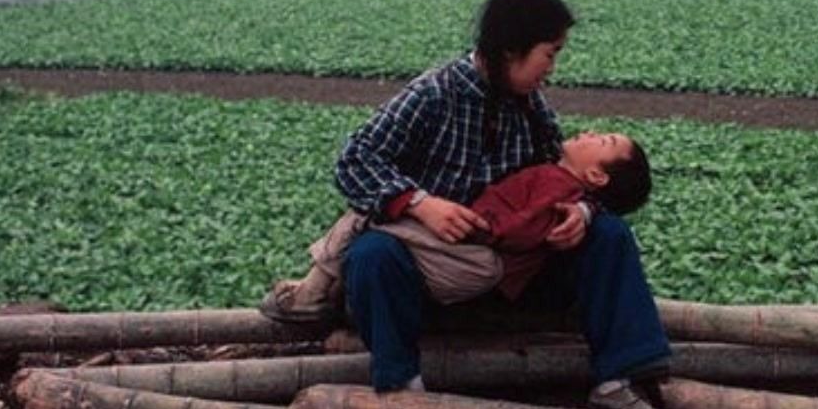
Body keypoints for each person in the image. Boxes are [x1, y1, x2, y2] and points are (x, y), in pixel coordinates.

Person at [318, 0, 673, 409]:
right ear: (512, 50)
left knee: (608, 234)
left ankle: (619, 378)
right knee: (372, 255)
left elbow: (571, 176)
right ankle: (402, 392)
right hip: (437, 273)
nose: (552, 68)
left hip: (513, 272)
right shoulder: (433, 94)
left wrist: (582, 210)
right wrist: (420, 204)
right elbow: (353, 162)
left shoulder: (531, 106)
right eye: (550, 53)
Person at [260, 129, 653, 319]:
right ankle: (323, 287)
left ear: (598, 177)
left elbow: (523, 227)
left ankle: (313, 291)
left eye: (602, 141)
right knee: (378, 221)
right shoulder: (556, 169)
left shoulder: (560, 187)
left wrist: (480, 225)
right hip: (476, 252)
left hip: (480, 256)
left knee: (374, 214)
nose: (590, 133)